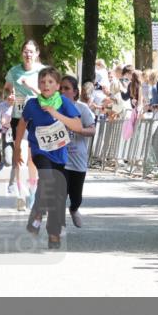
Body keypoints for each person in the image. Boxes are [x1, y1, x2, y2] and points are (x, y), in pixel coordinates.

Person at [12, 66, 82, 249]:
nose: (46, 85)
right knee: (47, 179)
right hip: (39, 151)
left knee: (58, 194)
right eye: (42, 82)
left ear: (58, 85)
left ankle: (53, 233)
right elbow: (22, 124)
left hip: (59, 154)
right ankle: (38, 213)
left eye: (50, 82)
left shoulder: (65, 104)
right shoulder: (32, 104)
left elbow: (77, 126)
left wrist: (54, 113)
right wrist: (17, 147)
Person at [4, 40, 44, 211]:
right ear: (21, 53)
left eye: (31, 51)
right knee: (19, 156)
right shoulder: (14, 71)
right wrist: (9, 96)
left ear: (37, 53)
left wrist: (30, 86)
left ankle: (33, 195)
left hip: (37, 118)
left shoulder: (43, 72)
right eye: (25, 51)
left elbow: (48, 95)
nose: (28, 54)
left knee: (32, 160)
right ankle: (20, 196)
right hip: (19, 117)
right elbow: (7, 89)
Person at [60, 75, 96, 228]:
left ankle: (74, 209)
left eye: (66, 88)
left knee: (76, 197)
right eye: (60, 88)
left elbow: (92, 130)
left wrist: (78, 129)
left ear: (75, 92)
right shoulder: (54, 109)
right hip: (60, 159)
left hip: (78, 160)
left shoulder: (82, 109)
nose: (63, 91)